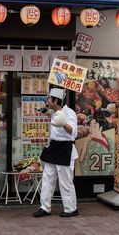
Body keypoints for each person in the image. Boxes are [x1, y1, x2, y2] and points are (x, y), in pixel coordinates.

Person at [34, 88, 79, 218]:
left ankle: (71, 209)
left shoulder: (69, 112)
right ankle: (44, 207)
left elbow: (73, 132)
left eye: (49, 99)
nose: (47, 100)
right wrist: (47, 113)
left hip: (65, 147)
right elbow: (53, 122)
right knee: (47, 178)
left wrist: (63, 123)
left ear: (55, 100)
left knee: (65, 181)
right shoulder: (54, 112)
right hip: (53, 146)